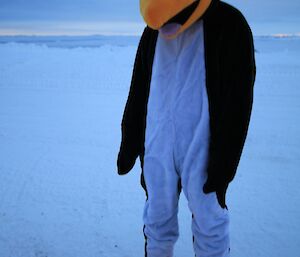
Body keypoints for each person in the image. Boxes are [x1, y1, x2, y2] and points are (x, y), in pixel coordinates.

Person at [117, 0, 256, 256]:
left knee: (209, 217)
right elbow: (139, 86)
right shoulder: (153, 31)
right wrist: (130, 135)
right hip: (157, 140)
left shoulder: (229, 24)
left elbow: (238, 100)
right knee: (157, 216)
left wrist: (226, 159)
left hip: (203, 143)